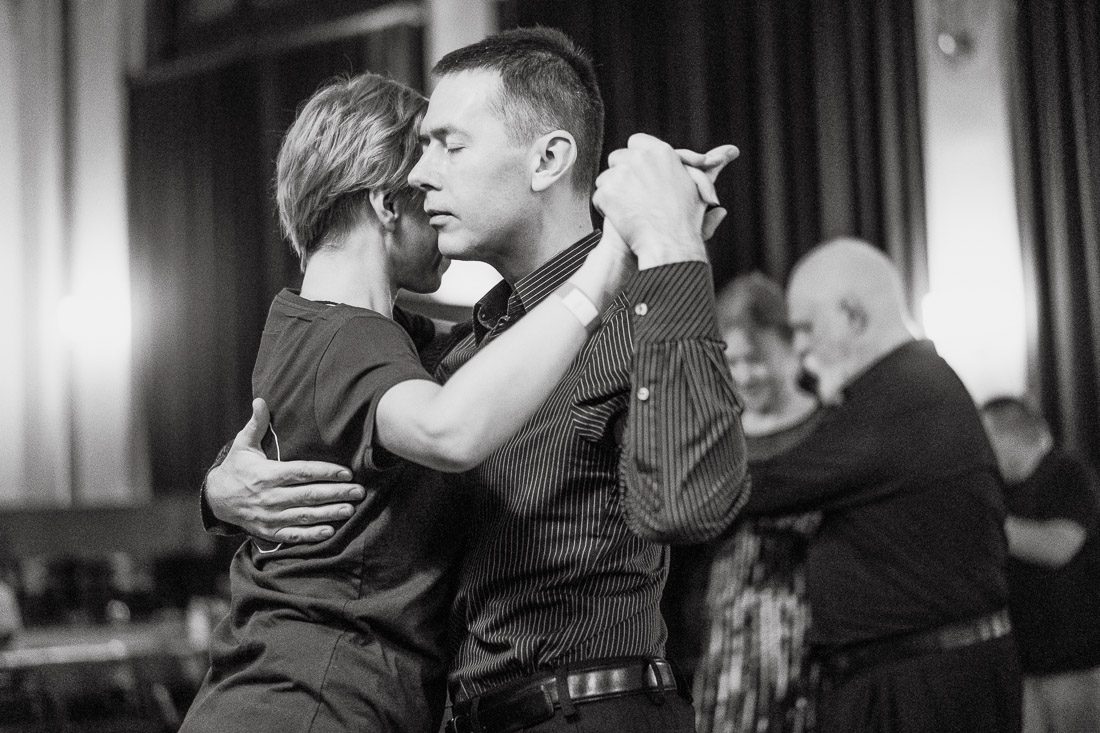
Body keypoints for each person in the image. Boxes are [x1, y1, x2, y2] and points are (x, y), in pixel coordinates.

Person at [202, 27, 749, 732]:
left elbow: (688, 504)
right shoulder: (464, 350)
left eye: (450, 146)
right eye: (423, 148)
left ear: (547, 159)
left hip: (590, 708)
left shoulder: (633, 311)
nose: (421, 175)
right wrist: (220, 488)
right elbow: (317, 405)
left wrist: (670, 249)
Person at [737, 237, 1021, 733]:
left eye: (805, 328)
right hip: (929, 679)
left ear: (853, 316)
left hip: (922, 692)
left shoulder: (901, 398)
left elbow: (763, 487)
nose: (799, 348)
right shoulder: (910, 387)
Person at [678, 272, 821, 733]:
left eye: (755, 359)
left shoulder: (827, 425)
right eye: (732, 361)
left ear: (790, 346)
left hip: (810, 630)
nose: (743, 375)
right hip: (729, 637)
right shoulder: (717, 433)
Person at [980, 396, 1100, 733]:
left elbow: (1058, 548)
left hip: (1074, 663)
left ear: (1006, 437)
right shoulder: (1000, 489)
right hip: (1024, 662)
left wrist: (989, 525)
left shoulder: (1068, 474)